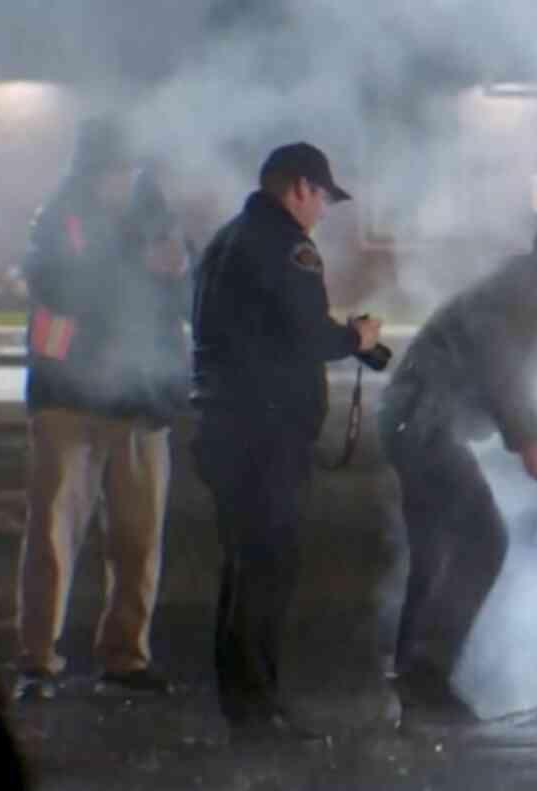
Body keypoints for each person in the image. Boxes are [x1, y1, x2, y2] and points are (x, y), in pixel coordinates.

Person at [378, 208, 537, 720]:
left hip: (415, 420)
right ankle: (426, 675)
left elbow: (534, 391)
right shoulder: (522, 294)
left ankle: (413, 677)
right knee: (483, 539)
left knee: (435, 549)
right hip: (425, 422)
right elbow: (501, 373)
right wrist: (529, 447)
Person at [189, 142, 382, 741]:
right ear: (300, 187)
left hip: (226, 425)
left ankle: (243, 702)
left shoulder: (228, 239)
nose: (323, 210)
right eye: (322, 196)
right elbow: (306, 334)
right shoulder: (288, 246)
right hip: (265, 434)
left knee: (244, 568)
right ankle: (259, 708)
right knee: (267, 568)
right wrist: (356, 336)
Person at [15, 118, 188, 701]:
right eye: (114, 170)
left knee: (139, 541)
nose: (123, 180)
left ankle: (125, 657)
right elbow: (63, 286)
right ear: (91, 170)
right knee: (53, 537)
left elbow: (176, 291)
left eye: (129, 170)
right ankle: (38, 661)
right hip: (69, 399)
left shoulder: (153, 214)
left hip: (139, 399)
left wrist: (173, 270)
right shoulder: (59, 217)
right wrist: (143, 268)